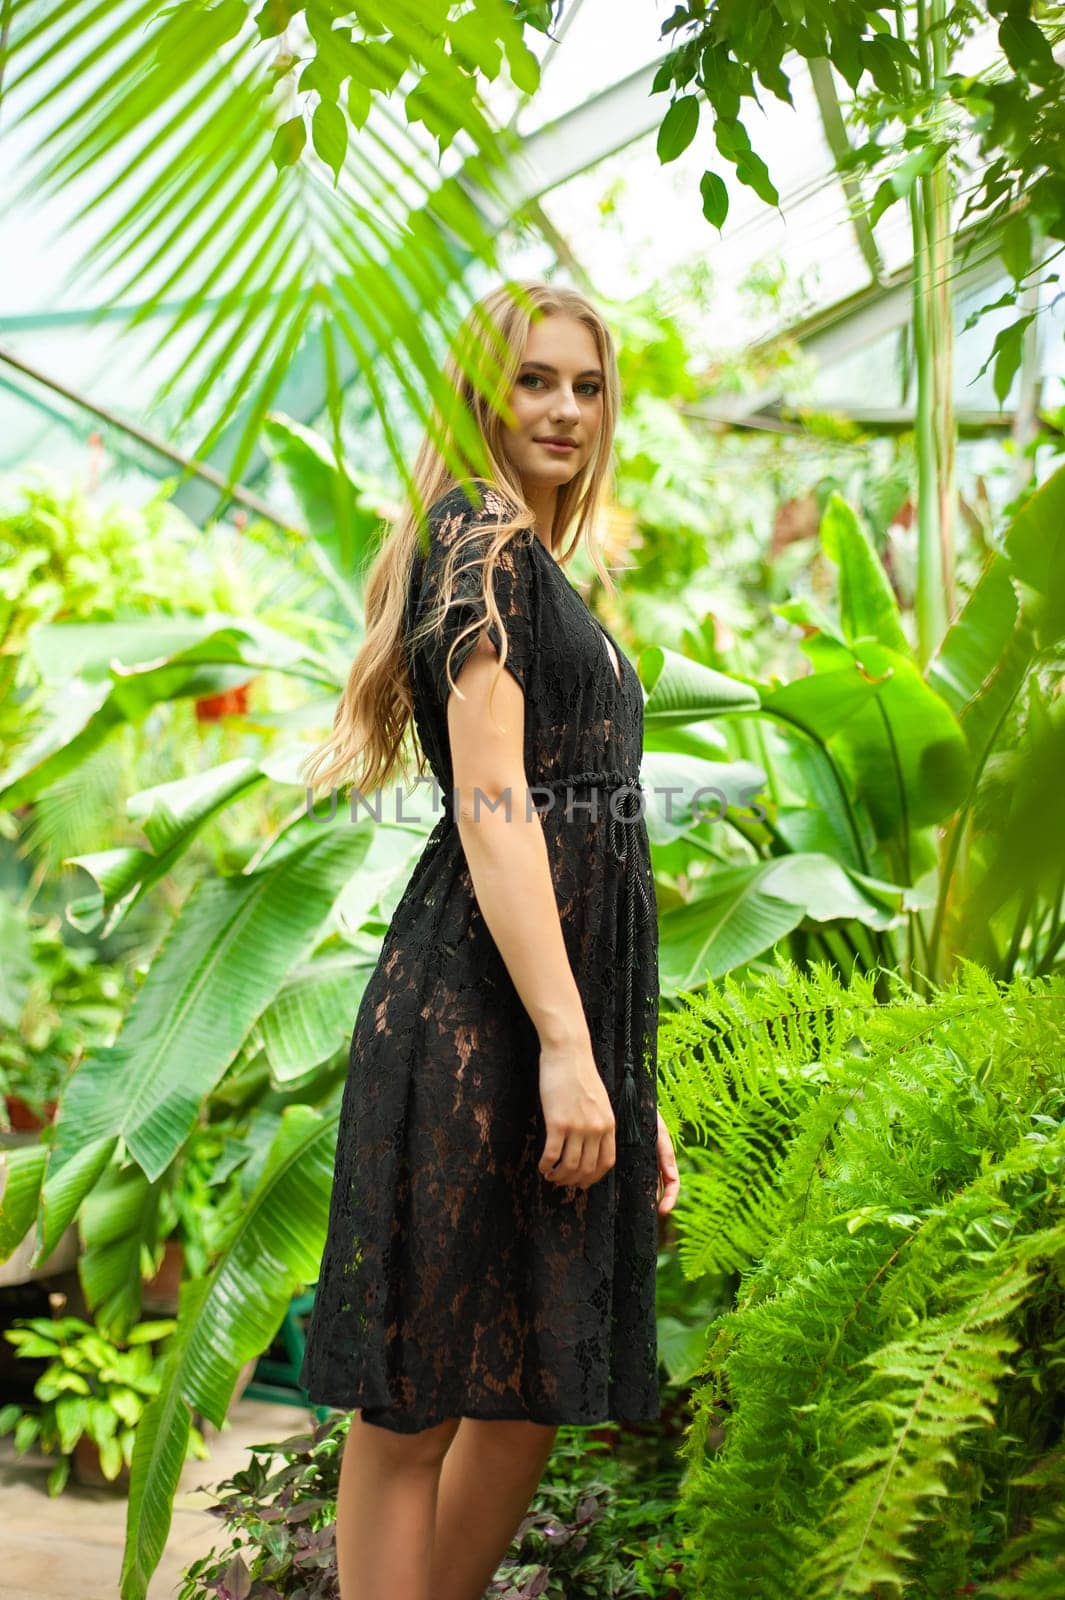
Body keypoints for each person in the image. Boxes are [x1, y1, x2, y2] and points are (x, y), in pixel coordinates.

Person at [297, 278, 681, 1600]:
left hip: (554, 1018)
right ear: (481, 394)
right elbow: (494, 802)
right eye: (535, 380)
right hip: (473, 1012)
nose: (564, 408)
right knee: (420, 1403)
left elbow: (593, 846)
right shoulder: (478, 537)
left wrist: (624, 1082)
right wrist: (570, 1050)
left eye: (584, 385)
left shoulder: (539, 561)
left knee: (525, 1393)